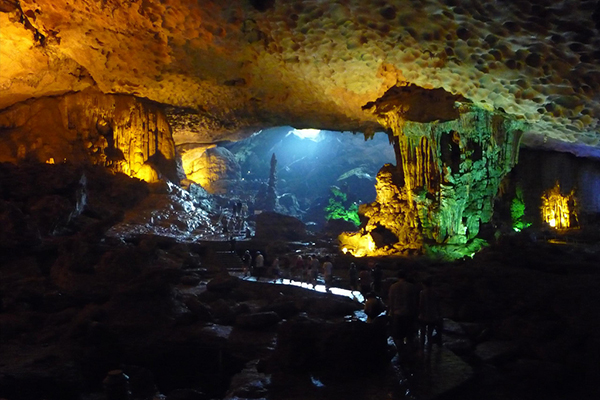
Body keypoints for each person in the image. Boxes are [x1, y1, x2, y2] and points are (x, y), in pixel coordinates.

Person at [388, 270, 418, 350]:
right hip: (409, 313)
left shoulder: (393, 287)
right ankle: (409, 352)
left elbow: (391, 300)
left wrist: (391, 312)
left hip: (397, 313)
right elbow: (414, 301)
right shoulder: (411, 287)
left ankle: (401, 352)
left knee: (398, 335)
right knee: (409, 335)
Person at [418, 277, 442, 349]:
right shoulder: (435, 293)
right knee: (430, 333)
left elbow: (421, 304)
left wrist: (419, 313)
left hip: (423, 316)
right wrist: (439, 315)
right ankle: (429, 347)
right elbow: (438, 305)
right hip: (432, 316)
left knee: (422, 332)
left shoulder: (422, 293)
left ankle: (421, 347)